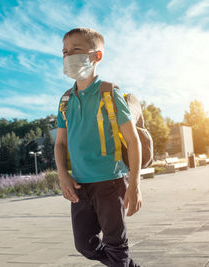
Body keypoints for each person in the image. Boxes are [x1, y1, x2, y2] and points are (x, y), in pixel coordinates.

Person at [54, 28, 143, 267]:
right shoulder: (65, 101)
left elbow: (133, 142)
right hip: (79, 185)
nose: (68, 55)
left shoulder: (110, 94)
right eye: (64, 51)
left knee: (116, 244)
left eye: (76, 50)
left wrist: (134, 185)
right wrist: (63, 175)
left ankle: (120, 262)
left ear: (97, 56)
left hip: (110, 182)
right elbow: (60, 143)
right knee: (85, 244)